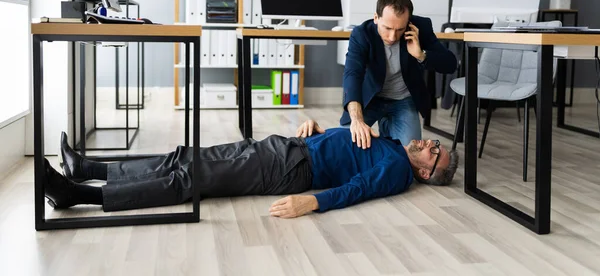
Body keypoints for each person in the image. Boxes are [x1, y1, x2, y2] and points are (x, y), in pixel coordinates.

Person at [44, 120, 459, 219]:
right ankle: (88, 167)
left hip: (291, 169)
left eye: (434, 151)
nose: (429, 142)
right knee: (184, 157)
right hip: (289, 147)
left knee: (192, 179)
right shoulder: (389, 143)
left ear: (426, 173)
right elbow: (347, 148)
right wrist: (318, 129)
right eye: (434, 142)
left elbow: (356, 188)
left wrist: (310, 202)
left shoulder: (396, 172)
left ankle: (78, 195)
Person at [341, 0, 458, 149]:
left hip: (403, 100)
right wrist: (356, 120)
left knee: (410, 156)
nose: (392, 37)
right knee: (343, 145)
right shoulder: (362, 33)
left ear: (408, 22)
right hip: (370, 99)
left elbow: (450, 64)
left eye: (399, 29)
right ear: (376, 18)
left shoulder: (420, 27)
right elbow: (352, 74)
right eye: (387, 28)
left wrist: (421, 55)